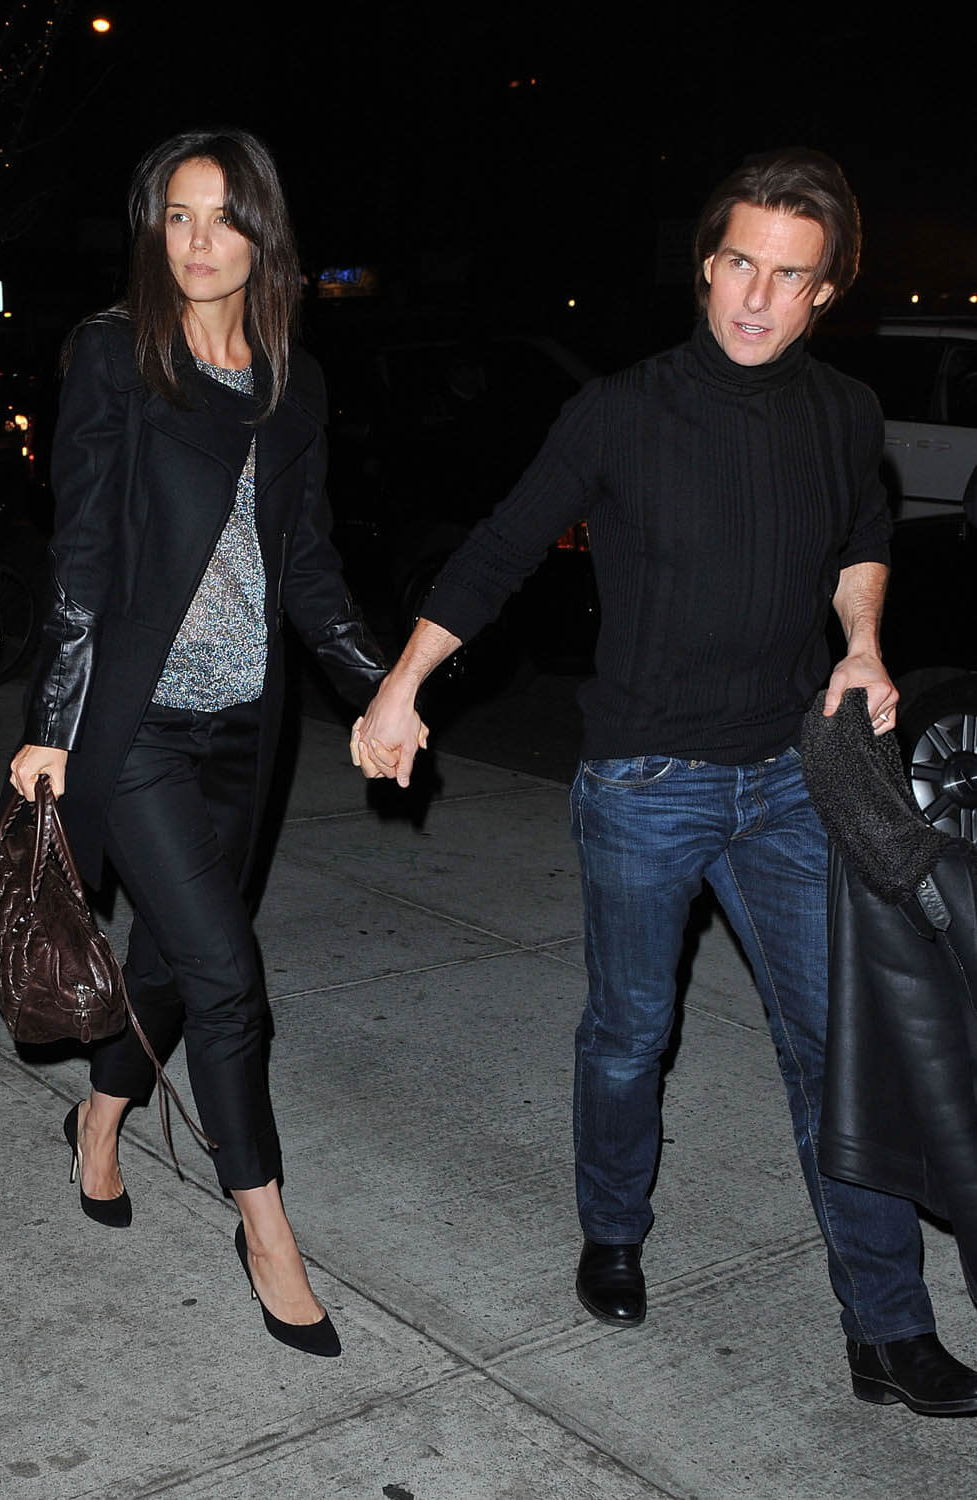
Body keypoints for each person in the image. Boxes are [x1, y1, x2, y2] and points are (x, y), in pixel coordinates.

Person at [350, 148, 977, 1414]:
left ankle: (886, 1327)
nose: (754, 296)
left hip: (792, 783)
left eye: (786, 276)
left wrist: (859, 644)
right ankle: (614, 1228)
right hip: (644, 780)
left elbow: (861, 537)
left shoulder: (842, 412)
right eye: (737, 263)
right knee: (631, 1032)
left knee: (833, 1056)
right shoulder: (620, 410)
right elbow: (501, 546)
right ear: (705, 266)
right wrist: (399, 682)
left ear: (825, 291)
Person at [10, 127, 395, 1359]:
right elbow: (78, 554)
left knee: (178, 959)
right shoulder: (115, 354)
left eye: (222, 217)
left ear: (262, 235)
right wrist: (50, 728)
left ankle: (101, 1122)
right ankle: (266, 1229)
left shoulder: (294, 383)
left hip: (247, 725)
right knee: (230, 979)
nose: (195, 242)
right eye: (175, 216)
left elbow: (312, 566)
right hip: (134, 728)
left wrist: (379, 688)